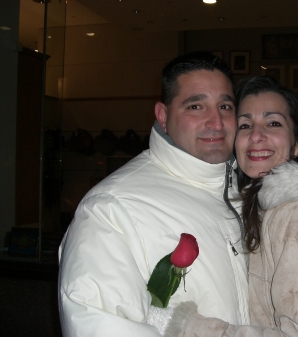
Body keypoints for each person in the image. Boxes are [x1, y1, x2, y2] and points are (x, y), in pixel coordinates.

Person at [162, 76, 298, 337]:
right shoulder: (269, 209)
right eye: (245, 125)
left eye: (273, 123)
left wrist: (187, 327)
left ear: (297, 145)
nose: (256, 135)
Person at [57, 51, 250, 337]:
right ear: (163, 115)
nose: (216, 122)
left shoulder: (247, 195)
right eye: (196, 107)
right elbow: (98, 324)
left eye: (225, 106)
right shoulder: (111, 208)